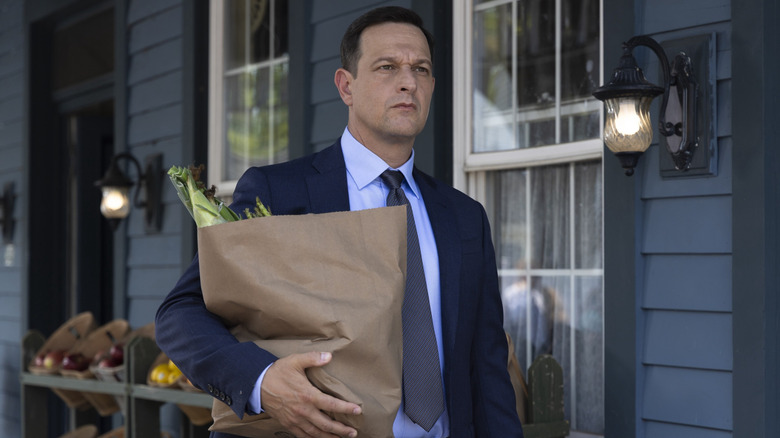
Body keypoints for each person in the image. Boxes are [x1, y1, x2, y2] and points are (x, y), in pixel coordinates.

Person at [155, 6, 524, 438]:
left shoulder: (464, 217)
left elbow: (487, 368)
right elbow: (180, 313)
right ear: (345, 86)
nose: (409, 81)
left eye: (421, 69)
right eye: (387, 67)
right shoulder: (280, 193)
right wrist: (263, 381)